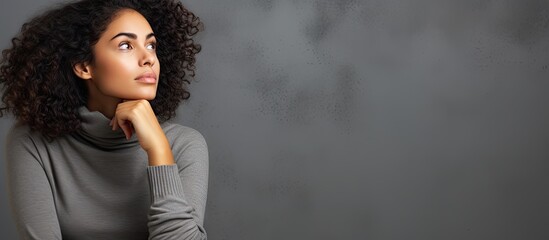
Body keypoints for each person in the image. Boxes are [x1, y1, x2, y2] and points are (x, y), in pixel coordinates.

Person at [0, 0, 208, 239]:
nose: (148, 58)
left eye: (151, 45)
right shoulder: (33, 142)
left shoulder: (185, 144)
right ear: (84, 66)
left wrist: (158, 150)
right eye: (125, 45)